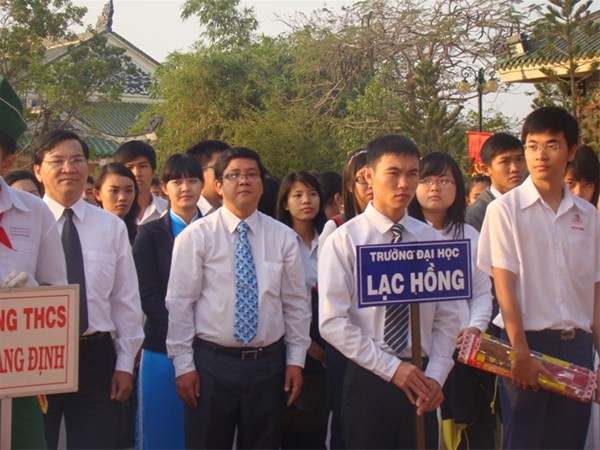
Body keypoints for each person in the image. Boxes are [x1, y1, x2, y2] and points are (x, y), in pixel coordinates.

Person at [319, 134, 459, 449]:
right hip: (369, 375)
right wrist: (392, 369)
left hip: (423, 378)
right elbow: (332, 321)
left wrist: (436, 375)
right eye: (393, 173)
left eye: (412, 174)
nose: (403, 184)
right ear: (369, 176)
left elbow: (448, 317)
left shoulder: (431, 241)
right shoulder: (345, 241)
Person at [166, 147, 311, 449]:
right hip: (211, 365)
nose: (244, 181)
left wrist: (296, 360)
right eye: (234, 175)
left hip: (267, 365)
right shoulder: (196, 236)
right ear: (218, 186)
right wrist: (184, 365)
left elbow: (296, 305)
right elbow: (180, 304)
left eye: (252, 175)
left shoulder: (283, 237)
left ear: (262, 184)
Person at [478, 106, 600, 449]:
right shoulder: (504, 210)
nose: (540, 156)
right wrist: (519, 351)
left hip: (577, 347)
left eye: (552, 146)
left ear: (572, 150)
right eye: (532, 146)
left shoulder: (588, 216)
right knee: (525, 441)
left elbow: (595, 292)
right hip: (527, 345)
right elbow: (504, 287)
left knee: (569, 442)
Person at [33, 129, 144, 449]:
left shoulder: (111, 226)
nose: (68, 168)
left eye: (77, 160)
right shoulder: (24, 223)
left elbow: (125, 299)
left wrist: (124, 364)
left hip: (96, 356)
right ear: (38, 170)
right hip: (40, 353)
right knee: (37, 440)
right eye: (57, 161)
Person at [408, 152, 493, 449]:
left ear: (457, 187)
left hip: (463, 350)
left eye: (444, 180)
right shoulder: (405, 236)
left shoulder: (470, 235)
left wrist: (475, 327)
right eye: (427, 180)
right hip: (418, 351)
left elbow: (482, 291)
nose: (435, 187)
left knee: (466, 434)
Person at [0, 77, 68, 450]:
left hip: (18, 371)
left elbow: (56, 289)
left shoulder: (33, 212)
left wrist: (29, 297)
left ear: (8, 161)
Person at [133, 153, 204, 449]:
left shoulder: (216, 231)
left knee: (205, 431)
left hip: (209, 347)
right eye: (177, 181)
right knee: (161, 429)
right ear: (164, 187)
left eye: (192, 180)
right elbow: (147, 294)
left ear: (203, 185)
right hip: (161, 346)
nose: (185, 187)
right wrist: (180, 331)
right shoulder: (149, 234)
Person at [317, 148, 372, 450]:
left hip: (384, 341)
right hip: (346, 341)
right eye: (362, 179)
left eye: (374, 177)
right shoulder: (336, 229)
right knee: (346, 419)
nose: (370, 186)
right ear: (349, 185)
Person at [276, 172, 328, 450]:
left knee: (322, 422)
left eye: (312, 194)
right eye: (297, 195)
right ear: (285, 203)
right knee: (295, 422)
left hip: (331, 337)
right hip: (292, 342)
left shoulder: (331, 238)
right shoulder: (278, 240)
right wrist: (308, 346)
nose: (306, 201)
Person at [465, 132, 526, 232]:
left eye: (519, 160)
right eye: (505, 161)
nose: (514, 168)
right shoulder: (475, 215)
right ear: (485, 169)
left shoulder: (537, 203)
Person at [113, 140, 168, 225]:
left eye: (142, 166)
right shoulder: (109, 214)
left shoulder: (167, 210)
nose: (137, 173)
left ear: (153, 171)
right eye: (129, 167)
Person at [93, 163, 139, 245]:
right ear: (97, 194)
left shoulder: (143, 234)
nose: (122, 197)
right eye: (114, 191)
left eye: (128, 191)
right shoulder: (88, 230)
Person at [186, 139, 230, 215]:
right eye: (219, 167)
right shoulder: (187, 213)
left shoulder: (233, 210)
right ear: (197, 172)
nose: (227, 174)